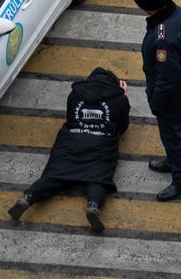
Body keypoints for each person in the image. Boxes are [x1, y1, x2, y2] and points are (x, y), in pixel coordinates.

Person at [7, 67, 130, 233]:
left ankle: (28, 198)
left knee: (54, 176)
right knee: (98, 179)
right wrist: (121, 95)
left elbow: (70, 116)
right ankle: (93, 206)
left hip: (70, 142)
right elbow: (122, 127)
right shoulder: (119, 99)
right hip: (100, 145)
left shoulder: (75, 94)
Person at [131, 0, 181, 202]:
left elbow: (166, 79)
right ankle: (172, 160)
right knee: (172, 136)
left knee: (173, 136)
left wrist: (156, 103)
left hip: (171, 99)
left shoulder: (162, 39)